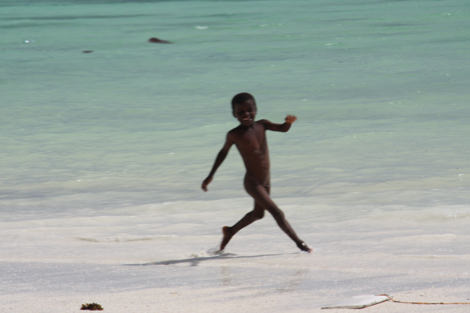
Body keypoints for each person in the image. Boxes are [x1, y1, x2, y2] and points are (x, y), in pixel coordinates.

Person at [201, 92, 312, 253]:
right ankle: (300, 244)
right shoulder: (234, 134)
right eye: (241, 112)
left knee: (258, 214)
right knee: (277, 212)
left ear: (256, 109)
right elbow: (223, 153)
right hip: (252, 182)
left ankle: (230, 231)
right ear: (234, 115)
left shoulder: (262, 125)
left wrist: (288, 122)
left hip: (265, 181)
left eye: (249, 110)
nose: (246, 114)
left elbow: (282, 129)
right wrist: (210, 175)